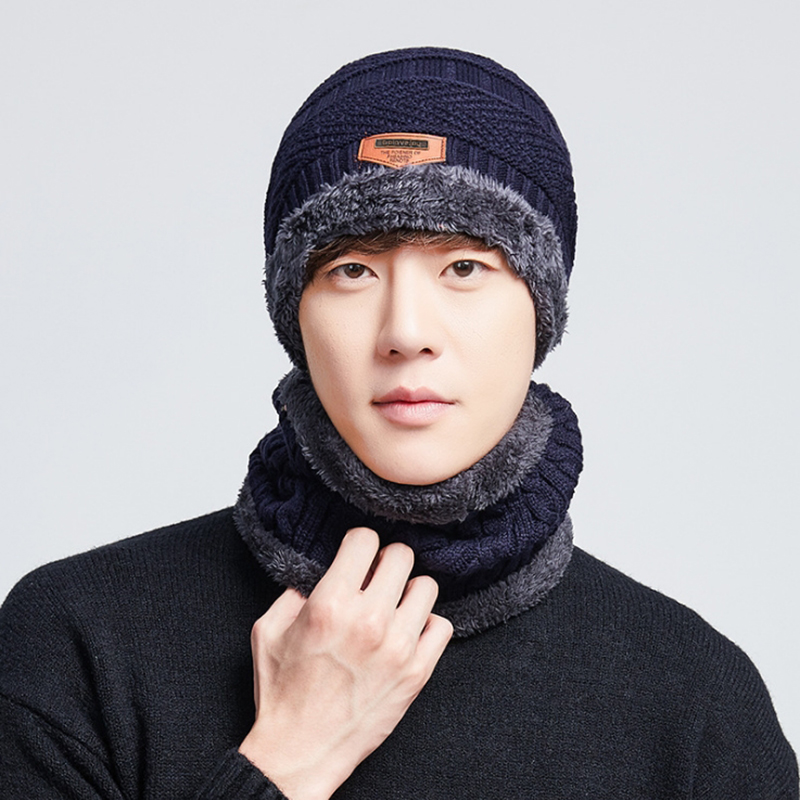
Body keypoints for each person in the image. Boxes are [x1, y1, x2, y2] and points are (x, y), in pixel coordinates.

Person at [0, 46, 796, 799]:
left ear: (541, 310)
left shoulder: (697, 703)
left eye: (464, 266)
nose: (406, 331)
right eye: (352, 270)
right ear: (293, 315)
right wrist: (287, 760)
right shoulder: (77, 644)